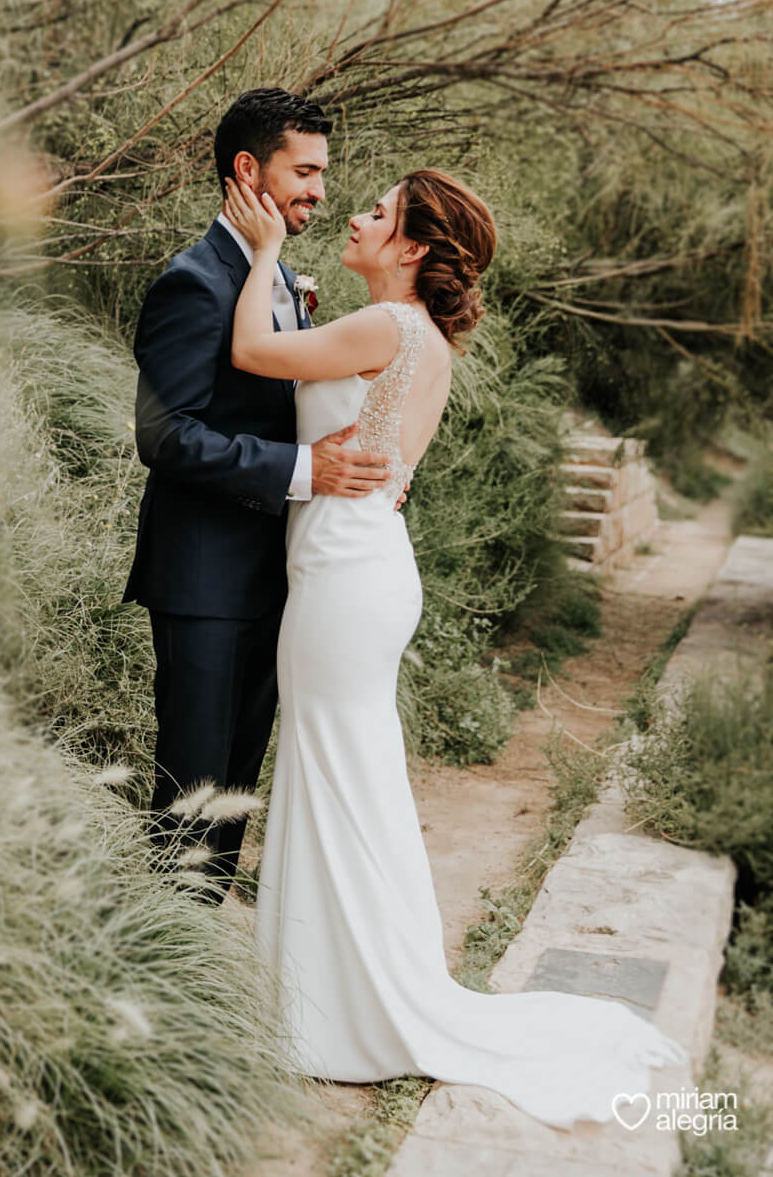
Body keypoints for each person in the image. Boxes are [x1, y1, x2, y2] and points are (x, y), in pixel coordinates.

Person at [220, 168, 688, 1129]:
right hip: (364, 565)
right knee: (350, 779)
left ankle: (339, 1011)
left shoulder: (389, 328)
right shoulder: (420, 338)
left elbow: (254, 351)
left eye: (379, 214)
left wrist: (265, 253)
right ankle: (336, 997)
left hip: (345, 578)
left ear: (414, 250)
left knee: (335, 778)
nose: (354, 214)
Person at [122, 87, 392, 906]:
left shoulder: (275, 279)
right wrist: (305, 471)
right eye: (303, 171)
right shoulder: (194, 283)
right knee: (191, 803)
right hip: (203, 585)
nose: (318, 189)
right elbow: (166, 438)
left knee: (232, 797)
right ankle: (165, 977)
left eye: (321, 173)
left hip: (272, 582)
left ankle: (200, 972)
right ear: (250, 169)